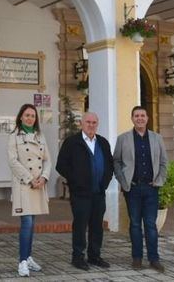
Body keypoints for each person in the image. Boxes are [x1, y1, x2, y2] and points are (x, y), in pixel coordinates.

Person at [56, 112, 113, 271]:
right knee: (80, 226)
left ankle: (94, 256)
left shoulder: (103, 142)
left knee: (97, 226)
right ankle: (78, 257)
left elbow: (109, 165)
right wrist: (75, 181)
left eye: (94, 122)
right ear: (82, 123)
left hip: (98, 193)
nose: (91, 125)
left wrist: (105, 182)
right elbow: (61, 165)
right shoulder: (72, 142)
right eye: (88, 122)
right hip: (80, 194)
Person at [113, 106, 168, 272]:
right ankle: (136, 258)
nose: (140, 118)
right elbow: (116, 161)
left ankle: (154, 258)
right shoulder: (123, 138)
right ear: (132, 119)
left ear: (147, 118)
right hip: (133, 189)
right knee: (135, 224)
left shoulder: (157, 138)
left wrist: (159, 181)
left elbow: (163, 162)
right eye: (136, 116)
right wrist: (123, 182)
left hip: (151, 189)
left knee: (151, 224)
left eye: (142, 115)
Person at [7, 104, 51, 277]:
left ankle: (29, 257)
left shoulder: (40, 136)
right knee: (26, 223)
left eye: (33, 116)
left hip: (38, 185)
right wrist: (30, 179)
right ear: (20, 117)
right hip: (24, 185)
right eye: (27, 115)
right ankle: (22, 262)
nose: (30, 118)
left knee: (32, 224)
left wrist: (44, 178)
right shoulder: (14, 137)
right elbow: (13, 162)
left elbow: (48, 160)